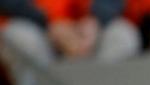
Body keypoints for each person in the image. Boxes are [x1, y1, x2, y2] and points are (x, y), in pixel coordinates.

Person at [0, 0, 140, 64]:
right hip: (37, 28)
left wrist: (95, 20)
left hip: (85, 28)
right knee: (19, 37)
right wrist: (49, 24)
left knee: (122, 34)